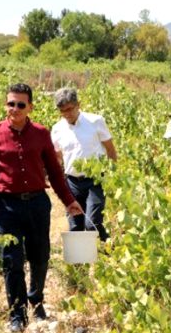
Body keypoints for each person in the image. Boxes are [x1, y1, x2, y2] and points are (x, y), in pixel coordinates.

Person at [0, 83, 83, 332]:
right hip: (5, 206)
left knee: (40, 257)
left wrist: (69, 201)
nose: (15, 109)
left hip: (36, 204)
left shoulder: (41, 134)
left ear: (30, 107)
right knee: (11, 261)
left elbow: (55, 173)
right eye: (11, 103)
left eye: (21, 104)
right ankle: (17, 313)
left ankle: (37, 300)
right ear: (5, 105)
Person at [51, 88, 117, 242]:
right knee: (75, 226)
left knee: (91, 222)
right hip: (72, 182)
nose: (67, 114)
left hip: (95, 180)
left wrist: (113, 178)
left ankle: (106, 248)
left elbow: (110, 150)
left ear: (78, 105)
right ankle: (80, 264)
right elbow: (58, 158)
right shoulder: (57, 129)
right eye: (62, 111)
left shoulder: (95, 121)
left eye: (69, 109)